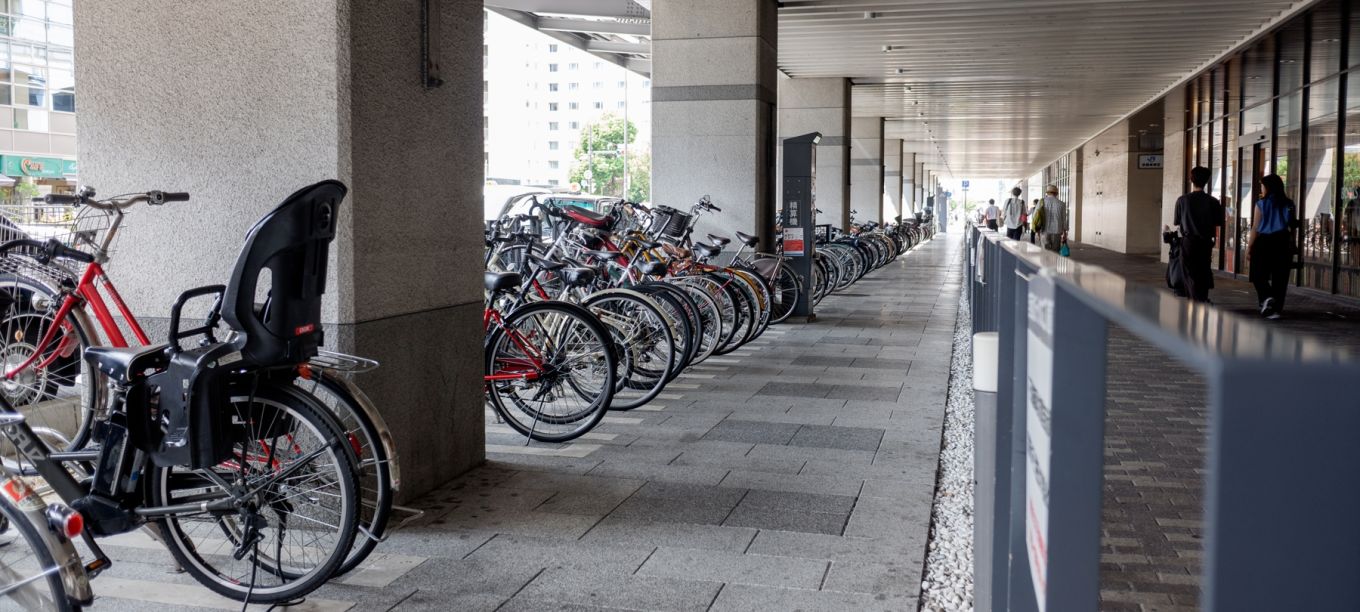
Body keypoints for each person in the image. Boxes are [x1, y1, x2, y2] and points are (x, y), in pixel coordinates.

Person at [1173, 166, 1224, 303]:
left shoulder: (1182, 200)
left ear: (1191, 180)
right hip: (1206, 241)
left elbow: (1177, 222)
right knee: (1203, 270)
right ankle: (1201, 298)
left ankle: (1195, 301)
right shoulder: (1213, 201)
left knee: (1189, 272)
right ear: (1207, 181)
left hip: (1188, 241)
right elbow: (1218, 222)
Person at [1249, 174, 1297, 320]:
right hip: (1282, 241)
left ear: (1268, 187)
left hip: (1263, 242)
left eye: (1262, 186)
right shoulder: (1289, 203)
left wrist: (1250, 247)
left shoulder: (1261, 204)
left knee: (1258, 275)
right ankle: (1275, 309)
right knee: (1280, 278)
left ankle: (1267, 297)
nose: (1261, 189)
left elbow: (1255, 228)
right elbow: (1291, 225)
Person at [1034, 185, 1068, 252]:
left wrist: (1036, 229)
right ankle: (1054, 262)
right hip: (1057, 230)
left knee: (1045, 251)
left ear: (1047, 193)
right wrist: (1065, 232)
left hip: (1044, 230)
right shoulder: (1062, 204)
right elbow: (1064, 219)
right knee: (1055, 251)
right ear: (1056, 193)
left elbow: (1035, 216)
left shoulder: (1041, 202)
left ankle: (1045, 262)